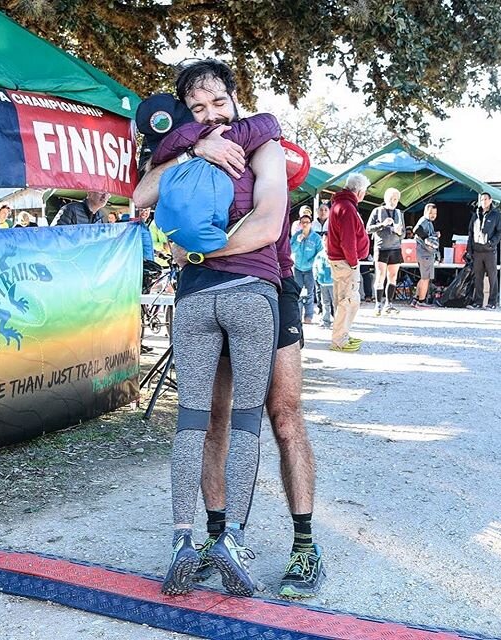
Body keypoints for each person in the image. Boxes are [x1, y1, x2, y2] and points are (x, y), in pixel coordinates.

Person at [134, 59, 287, 598]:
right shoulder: (257, 146)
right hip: (249, 295)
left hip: (195, 298)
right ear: (188, 113)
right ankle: (231, 540)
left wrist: (195, 249)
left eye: (218, 102)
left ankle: (183, 540)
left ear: (234, 97)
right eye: (198, 108)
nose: (210, 113)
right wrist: (196, 147)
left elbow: (141, 198)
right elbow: (268, 225)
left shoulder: (184, 152)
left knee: (191, 425)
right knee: (245, 421)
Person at [326, 173, 371, 352]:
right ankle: (340, 340)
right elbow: (348, 240)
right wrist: (353, 262)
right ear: (359, 191)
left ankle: (341, 335)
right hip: (345, 261)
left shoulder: (340, 204)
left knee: (343, 299)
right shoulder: (347, 207)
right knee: (348, 300)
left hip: (340, 260)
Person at [366, 187, 405, 316]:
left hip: (395, 248)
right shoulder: (377, 211)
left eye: (395, 199)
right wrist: (382, 224)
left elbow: (403, 233)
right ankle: (378, 304)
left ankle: (389, 304)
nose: (393, 201)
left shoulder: (399, 213)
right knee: (380, 276)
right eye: (391, 198)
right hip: (381, 247)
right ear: (385, 199)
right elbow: (368, 229)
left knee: (392, 276)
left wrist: (399, 232)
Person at [467, 192, 501, 309]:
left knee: (492, 277)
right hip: (477, 251)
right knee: (478, 278)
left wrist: (492, 242)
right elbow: (470, 233)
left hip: (489, 251)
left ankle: (492, 302)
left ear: (490, 200)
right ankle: (478, 302)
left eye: (485, 199)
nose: (483, 202)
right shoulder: (476, 215)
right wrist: (469, 249)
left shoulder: (495, 215)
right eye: (481, 199)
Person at [290, 213, 322, 324]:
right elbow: (291, 249)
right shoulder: (297, 235)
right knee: (297, 293)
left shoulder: (316, 238)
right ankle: (298, 316)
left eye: (307, 222)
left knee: (309, 293)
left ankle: (309, 316)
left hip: (310, 269)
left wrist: (312, 262)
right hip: (298, 267)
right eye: (302, 222)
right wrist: (298, 240)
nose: (304, 225)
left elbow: (320, 252)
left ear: (311, 224)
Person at [411, 203, 440, 308]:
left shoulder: (429, 222)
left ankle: (415, 299)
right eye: (431, 212)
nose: (433, 215)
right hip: (424, 254)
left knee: (423, 277)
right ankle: (421, 301)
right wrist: (426, 238)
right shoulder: (424, 220)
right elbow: (416, 229)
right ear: (425, 212)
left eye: (435, 213)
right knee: (425, 278)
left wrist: (434, 235)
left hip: (425, 253)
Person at [313, 242, 333, 329]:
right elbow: (315, 266)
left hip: (333, 282)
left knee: (335, 303)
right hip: (322, 282)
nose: (325, 242)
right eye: (324, 240)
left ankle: (338, 322)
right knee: (325, 303)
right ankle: (326, 321)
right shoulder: (320, 254)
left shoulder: (334, 253)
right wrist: (316, 277)